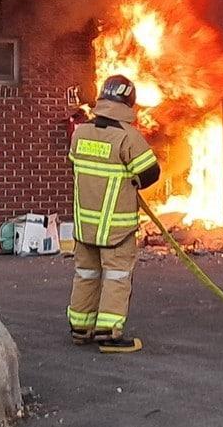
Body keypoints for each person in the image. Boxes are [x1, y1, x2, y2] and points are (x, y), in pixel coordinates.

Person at [66, 74, 160, 353]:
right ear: (128, 103)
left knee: (86, 274)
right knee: (117, 277)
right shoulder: (127, 137)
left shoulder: (80, 133)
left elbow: (76, 167)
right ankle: (108, 333)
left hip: (85, 227)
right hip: (116, 230)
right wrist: (131, 179)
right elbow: (150, 173)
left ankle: (81, 328)